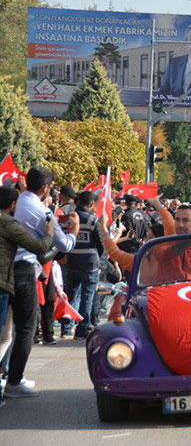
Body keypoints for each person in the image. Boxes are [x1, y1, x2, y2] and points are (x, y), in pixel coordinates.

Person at [7, 166, 78, 398]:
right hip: (23, 271)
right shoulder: (42, 212)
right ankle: (14, 382)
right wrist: (74, 231)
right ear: (46, 188)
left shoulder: (15, 202)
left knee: (6, 330)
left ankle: (9, 374)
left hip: (5, 269)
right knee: (26, 327)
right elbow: (63, 244)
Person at [60, 191, 105, 339]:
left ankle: (66, 328)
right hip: (89, 264)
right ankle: (82, 328)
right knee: (87, 297)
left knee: (70, 296)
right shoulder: (93, 219)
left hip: (71, 262)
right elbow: (100, 244)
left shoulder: (68, 218)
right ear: (91, 204)